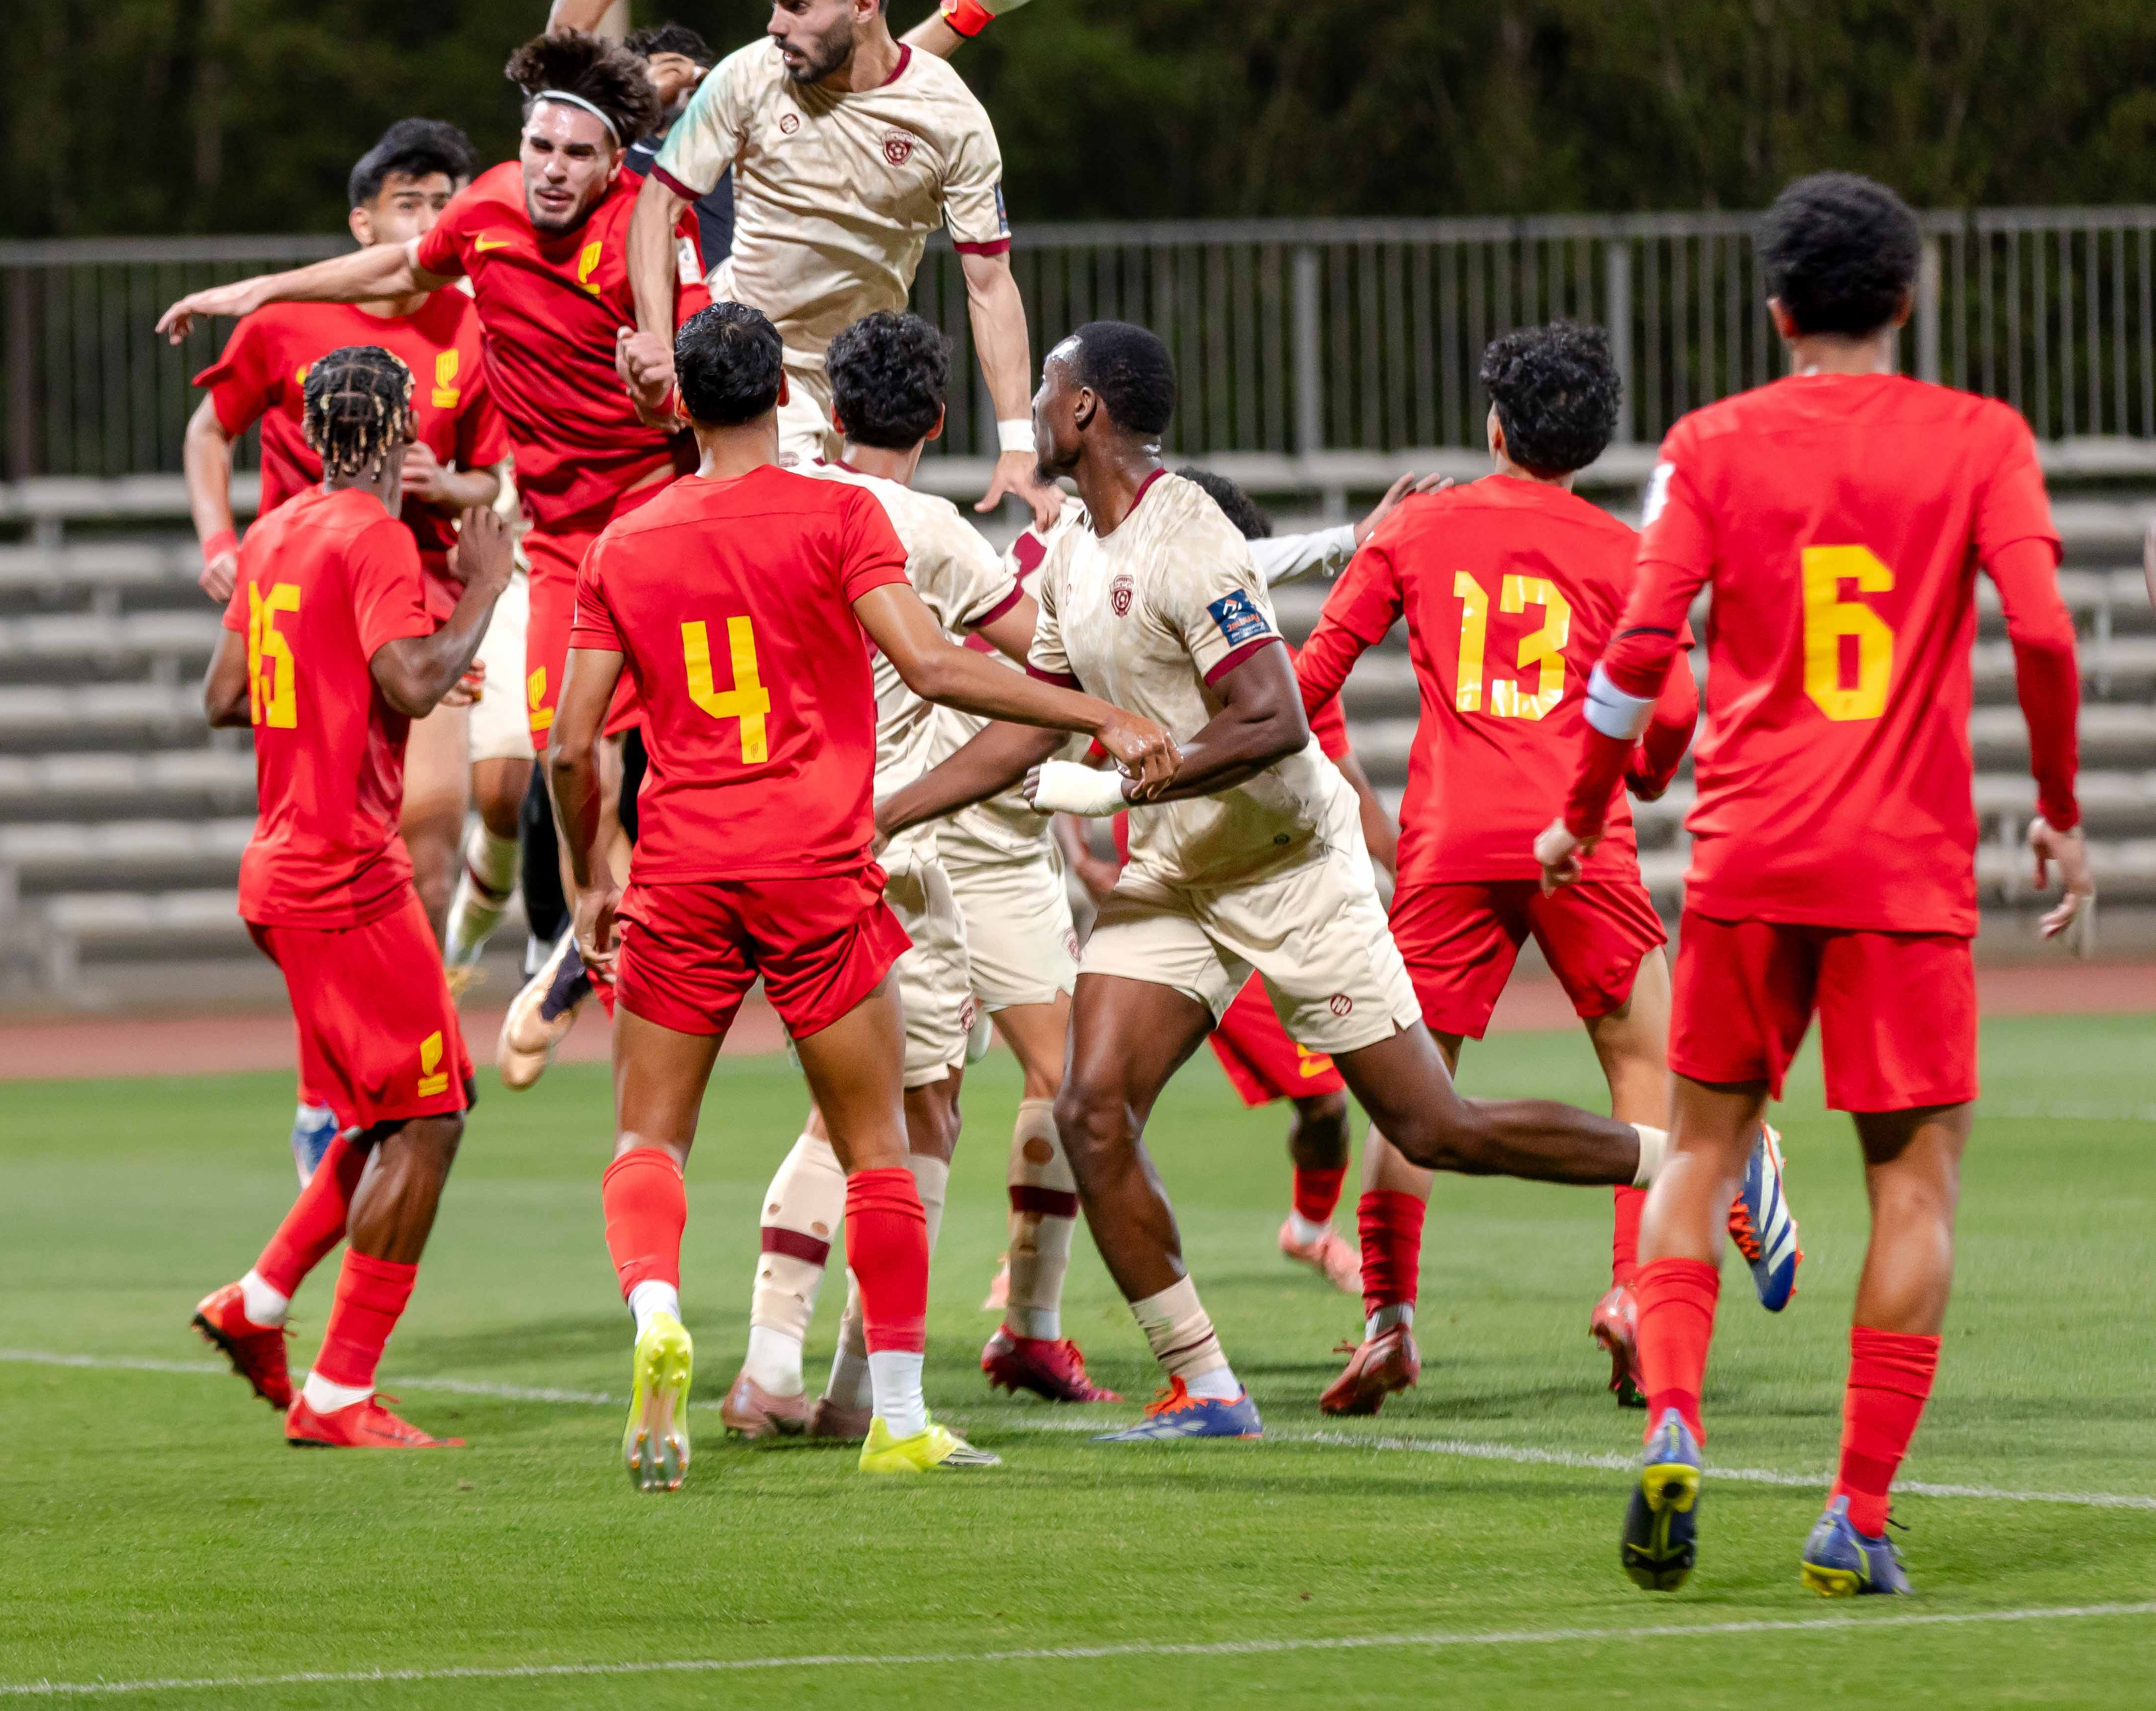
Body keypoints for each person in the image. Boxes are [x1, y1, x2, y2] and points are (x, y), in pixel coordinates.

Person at [879, 322, 1671, 1443]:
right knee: (1089, 1108)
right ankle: (1206, 1386)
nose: (1031, 407)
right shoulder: (1074, 555)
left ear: (1086, 410)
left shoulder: (1190, 538)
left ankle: (1690, 1166)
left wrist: (1124, 781)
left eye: (1047, 386)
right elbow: (1030, 725)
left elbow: (1277, 711)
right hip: (1187, 869)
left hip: (1291, 864)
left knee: (1431, 1124)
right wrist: (886, 813)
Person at [1535, 174, 2094, 1597]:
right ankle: (1854, 1513)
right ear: (1907, 298)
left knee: (1699, 1149)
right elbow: (2042, 632)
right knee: (1913, 1183)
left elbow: (1638, 651)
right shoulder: (1982, 438)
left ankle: (1673, 1416)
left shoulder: (1708, 445)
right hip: (1903, 868)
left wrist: (1579, 813)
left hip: (1747, 856)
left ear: (1777, 310)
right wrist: (2060, 811)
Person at [547, 304, 1176, 1487]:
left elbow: (573, 743)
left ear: (680, 406)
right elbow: (935, 665)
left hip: (683, 869)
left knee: (648, 1139)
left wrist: (591, 878)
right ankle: (894, 1416)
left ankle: (658, 1317)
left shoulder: (622, 543)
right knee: (882, 1146)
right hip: (818, 865)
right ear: (784, 400)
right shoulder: (838, 516)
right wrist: (1100, 712)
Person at [153, 37, 706, 1072]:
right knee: (558, 764)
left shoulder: (640, 233)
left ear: (612, 162)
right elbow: (386, 276)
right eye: (538, 145)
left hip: (609, 531)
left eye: (575, 152)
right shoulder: (483, 216)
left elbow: (680, 381)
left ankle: (576, 944)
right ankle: (579, 941)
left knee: (550, 783)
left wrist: (659, 380)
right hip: (522, 549)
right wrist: (260, 290)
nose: (550, 168)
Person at [1292, 323, 1792, 1417]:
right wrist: (1644, 773)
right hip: (1577, 839)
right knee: (1644, 1067)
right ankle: (1629, 1293)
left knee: (1413, 1093)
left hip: (1448, 845)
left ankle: (1387, 1322)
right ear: (1594, 441)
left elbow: (1310, 675)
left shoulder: (1416, 525)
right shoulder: (1625, 552)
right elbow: (1675, 705)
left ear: (1494, 426)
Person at [718, 308, 1122, 1441]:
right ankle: (828, 1382)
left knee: (871, 1103)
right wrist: (1084, 583)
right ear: (939, 419)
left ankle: (806, 1371)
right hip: (903, 847)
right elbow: (1035, 648)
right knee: (911, 1111)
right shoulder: (929, 531)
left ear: (830, 411)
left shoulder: (782, 504)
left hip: (800, 831)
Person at [189, 349, 513, 1450]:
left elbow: (224, 694)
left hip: (280, 865)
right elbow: (412, 681)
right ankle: (337, 1391)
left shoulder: (275, 529)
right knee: (431, 1118)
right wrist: (483, 586)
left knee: (394, 1110)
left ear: (310, 433)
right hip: (345, 874)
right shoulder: (376, 534)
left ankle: (257, 1301)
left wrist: (346, 677)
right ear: (405, 428)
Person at [178, 115, 510, 1168]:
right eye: (411, 201)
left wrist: (447, 484)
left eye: (445, 201)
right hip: (306, 591)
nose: (432, 218)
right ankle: (336, 1087)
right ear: (362, 222)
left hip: (420, 596)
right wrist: (220, 543)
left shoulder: (475, 321)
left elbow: (494, 474)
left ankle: (389, 1054)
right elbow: (209, 428)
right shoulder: (289, 322)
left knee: (429, 846)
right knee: (327, 847)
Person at [1055, 467, 1411, 1304]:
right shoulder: (1142, 642)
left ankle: (1307, 1231)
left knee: (1329, 1107)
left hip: (1269, 897)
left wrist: (1404, 873)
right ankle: (1035, 1265)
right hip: (1182, 902)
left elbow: (1342, 775)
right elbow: (1070, 744)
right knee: (1098, 1096)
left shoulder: (1266, 672)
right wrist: (1078, 857)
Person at [619, 0, 1089, 516]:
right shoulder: (746, 78)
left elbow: (989, 283)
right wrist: (659, 345)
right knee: (795, 528)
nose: (774, 25)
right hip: (756, 361)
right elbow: (656, 205)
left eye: (796, 4)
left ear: (864, 5)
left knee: (873, 550)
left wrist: (1017, 444)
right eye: (773, 3)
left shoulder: (950, 117)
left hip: (863, 377)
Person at [550, 0, 1085, 296]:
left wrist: (970, 8)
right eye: (663, 78)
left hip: (743, 354)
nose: (686, 90)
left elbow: (875, 75)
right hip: (632, 355)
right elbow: (563, 46)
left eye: (698, 81)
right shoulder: (604, 160)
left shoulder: (745, 140)